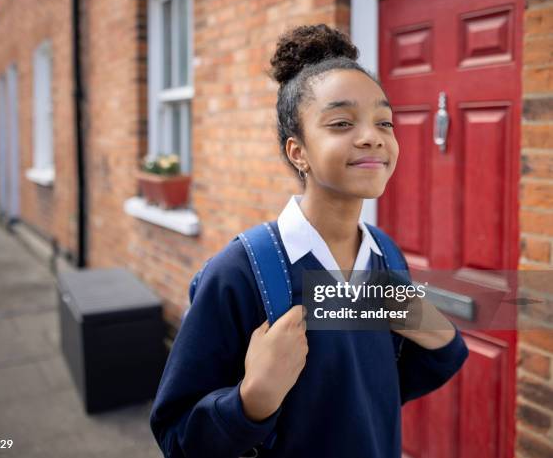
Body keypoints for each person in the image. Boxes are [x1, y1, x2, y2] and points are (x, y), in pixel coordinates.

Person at [149, 23, 469, 458]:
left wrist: (440, 336)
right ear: (297, 150)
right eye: (341, 122)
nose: (373, 135)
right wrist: (253, 399)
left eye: (384, 121)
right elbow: (176, 436)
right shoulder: (239, 274)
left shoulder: (385, 255)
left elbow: (379, 391)